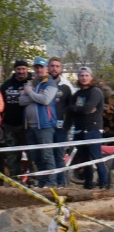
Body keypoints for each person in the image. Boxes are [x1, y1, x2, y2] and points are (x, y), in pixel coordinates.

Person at [66, 66, 108, 189]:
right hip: (79, 130)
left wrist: (76, 109)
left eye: (86, 75)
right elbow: (70, 110)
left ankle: (104, 184)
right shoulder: (77, 94)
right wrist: (76, 109)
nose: (84, 78)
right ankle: (88, 184)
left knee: (96, 158)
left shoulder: (95, 91)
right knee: (84, 160)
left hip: (92, 129)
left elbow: (87, 109)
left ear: (91, 77)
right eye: (81, 75)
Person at [20, 59, 60, 185]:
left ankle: (51, 183)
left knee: (47, 156)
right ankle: (42, 182)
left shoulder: (51, 83)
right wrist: (36, 96)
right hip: (30, 126)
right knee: (36, 157)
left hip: (45, 125)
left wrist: (29, 93)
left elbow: (45, 100)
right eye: (36, 67)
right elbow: (21, 101)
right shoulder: (30, 82)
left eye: (41, 67)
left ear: (46, 68)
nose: (39, 69)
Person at [46, 56, 74, 185]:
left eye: (57, 66)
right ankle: (49, 183)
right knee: (47, 156)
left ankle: (61, 184)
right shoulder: (43, 83)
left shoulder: (66, 87)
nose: (54, 69)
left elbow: (71, 109)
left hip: (60, 128)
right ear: (48, 67)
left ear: (61, 68)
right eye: (52, 66)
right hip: (45, 127)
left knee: (59, 156)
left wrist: (66, 127)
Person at [1, 59, 30, 178]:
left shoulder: (32, 83)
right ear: (14, 70)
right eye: (18, 69)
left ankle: (34, 180)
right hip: (9, 125)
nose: (21, 71)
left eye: (23, 69)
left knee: (32, 154)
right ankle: (15, 180)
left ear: (27, 69)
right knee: (12, 155)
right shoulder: (6, 85)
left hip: (27, 126)